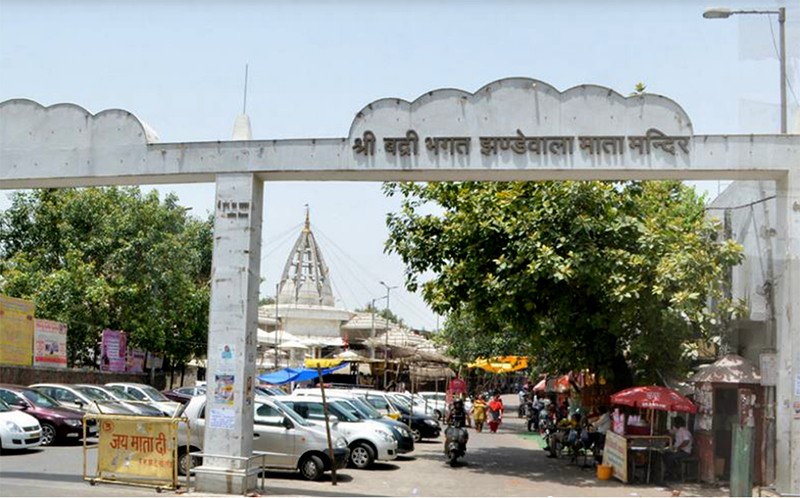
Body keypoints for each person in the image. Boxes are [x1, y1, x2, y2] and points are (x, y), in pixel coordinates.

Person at [660, 416, 693, 482]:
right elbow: (670, 432)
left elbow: (686, 441)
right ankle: (671, 470)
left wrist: (679, 448)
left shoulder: (684, 431)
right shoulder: (677, 430)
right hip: (678, 450)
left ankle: (672, 473)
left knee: (670, 457)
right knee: (665, 454)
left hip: (685, 452)